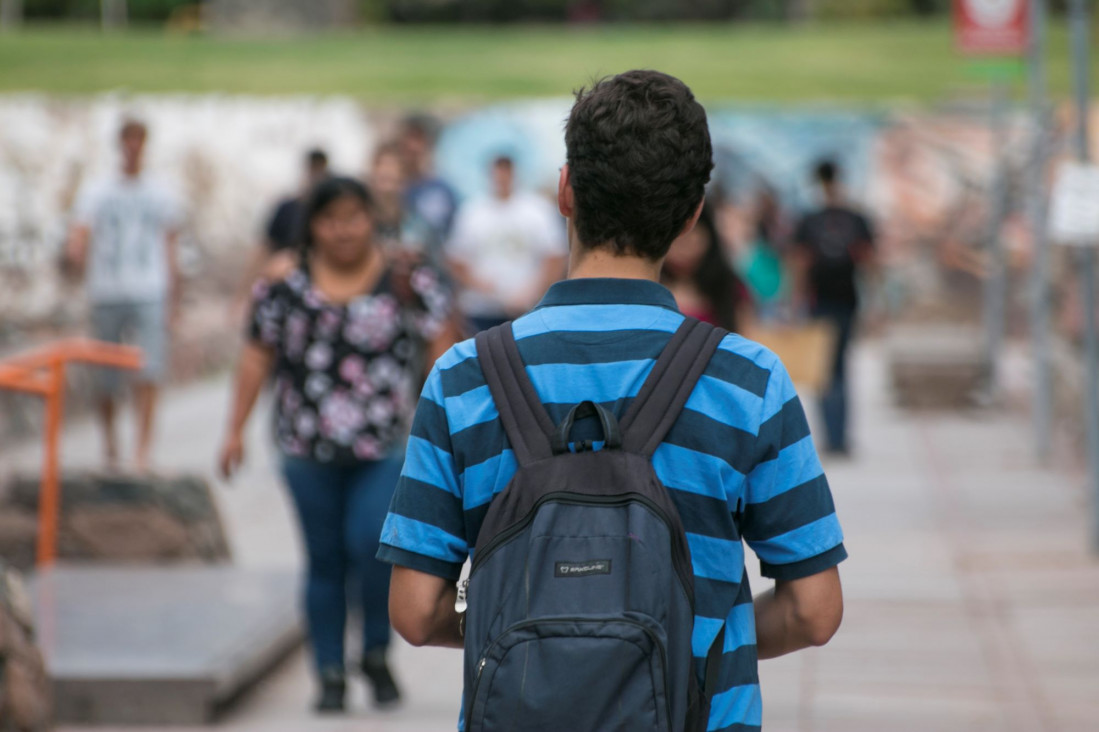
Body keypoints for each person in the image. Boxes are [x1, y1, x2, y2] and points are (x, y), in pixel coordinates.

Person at [379, 70, 846, 732]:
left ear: (565, 191)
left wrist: (544, 625)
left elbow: (414, 609)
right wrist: (699, 629)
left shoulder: (462, 377)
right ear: (690, 216)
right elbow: (813, 611)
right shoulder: (748, 381)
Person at [217, 177, 456, 713]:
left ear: (373, 218)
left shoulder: (405, 278)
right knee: (324, 560)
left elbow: (442, 343)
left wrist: (448, 424)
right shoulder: (282, 286)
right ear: (312, 226)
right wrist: (233, 430)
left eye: (354, 216)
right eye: (330, 218)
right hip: (305, 449)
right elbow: (256, 355)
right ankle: (328, 671)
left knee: (373, 545)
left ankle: (374, 650)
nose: (343, 229)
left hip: (386, 446)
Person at [65, 118, 183, 472]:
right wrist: (76, 254)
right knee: (106, 377)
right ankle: (111, 446)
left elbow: (171, 245)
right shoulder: (97, 190)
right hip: (106, 290)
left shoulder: (161, 191)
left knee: (149, 371)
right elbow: (79, 234)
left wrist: (174, 297)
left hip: (149, 289)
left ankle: (142, 451)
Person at [791, 160, 877, 456]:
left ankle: (832, 437)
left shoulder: (809, 219)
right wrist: (877, 303)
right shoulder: (856, 218)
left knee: (824, 370)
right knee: (840, 368)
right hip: (847, 300)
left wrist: (794, 302)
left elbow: (800, 263)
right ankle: (839, 438)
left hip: (819, 303)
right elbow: (869, 262)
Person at [445, 155, 568, 333]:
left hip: (528, 308)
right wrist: (483, 286)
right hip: (482, 310)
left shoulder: (537, 210)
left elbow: (555, 256)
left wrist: (534, 291)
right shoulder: (472, 212)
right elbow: (456, 259)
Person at [662, 200, 752, 332]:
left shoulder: (730, 289)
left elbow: (746, 342)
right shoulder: (648, 287)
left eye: (690, 234)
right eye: (674, 235)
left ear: (709, 235)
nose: (682, 245)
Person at [398, 114, 458, 253]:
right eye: (408, 139)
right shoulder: (390, 188)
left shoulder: (441, 191)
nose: (412, 147)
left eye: (418, 139)